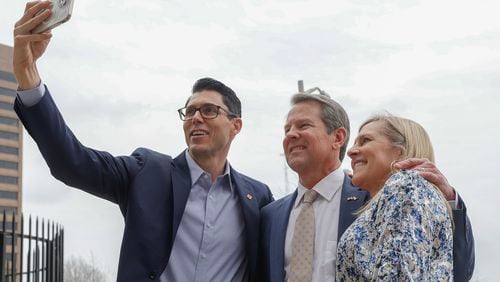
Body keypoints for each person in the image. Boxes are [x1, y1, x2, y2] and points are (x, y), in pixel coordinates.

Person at [13, 2, 273, 281]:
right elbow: (72, 163)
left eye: (209, 110)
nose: (196, 117)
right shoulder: (147, 172)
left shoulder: (257, 199)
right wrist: (28, 73)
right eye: (190, 111)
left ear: (236, 126)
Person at [259, 89, 474, 281]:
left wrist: (449, 201)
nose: (291, 134)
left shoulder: (379, 196)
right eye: (286, 129)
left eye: (303, 125)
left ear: (338, 137)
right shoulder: (270, 215)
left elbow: (452, 267)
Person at [336, 114, 453, 280]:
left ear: (400, 152)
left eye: (366, 140)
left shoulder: (406, 187)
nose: (350, 151)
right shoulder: (402, 195)